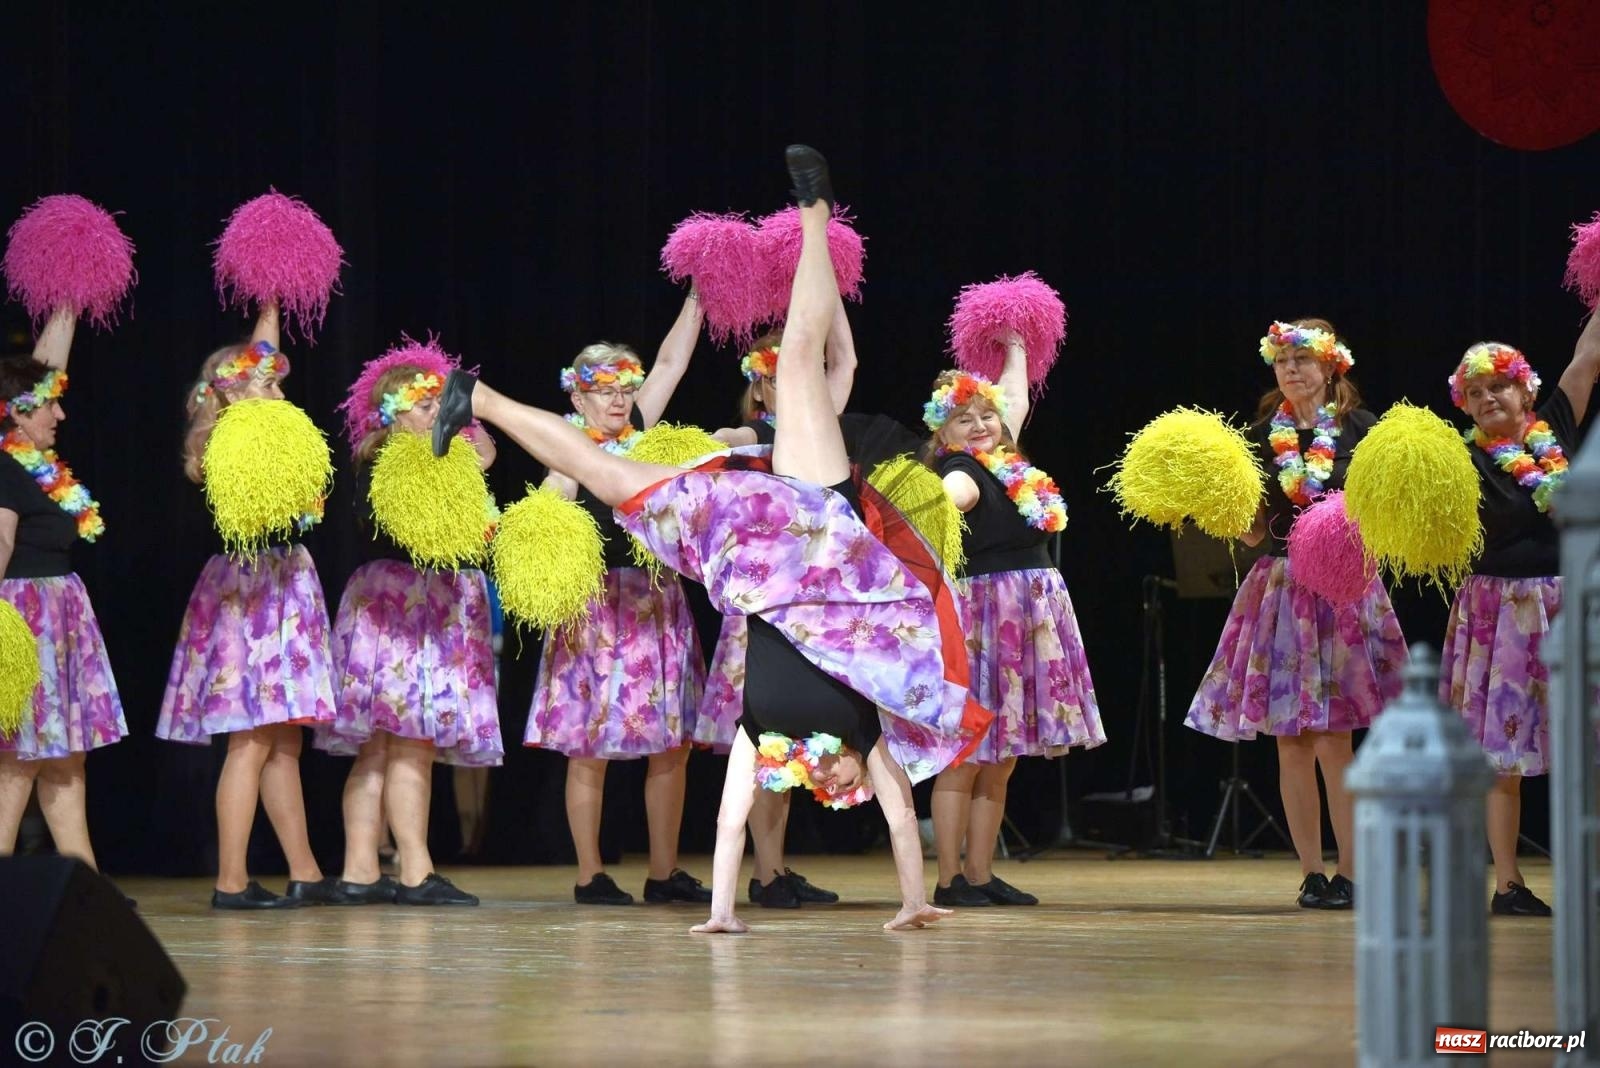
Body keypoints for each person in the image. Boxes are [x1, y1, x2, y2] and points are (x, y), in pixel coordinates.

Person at [431, 145, 991, 931]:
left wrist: (722, 913)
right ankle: (814, 213)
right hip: (814, 519)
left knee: (609, 477)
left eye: (825, 775)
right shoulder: (866, 733)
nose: (830, 769)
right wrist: (913, 903)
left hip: (755, 537)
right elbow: (903, 819)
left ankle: (477, 395)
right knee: (799, 357)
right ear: (847, 777)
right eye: (840, 776)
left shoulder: (763, 735)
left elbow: (728, 826)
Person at [1185, 319, 1407, 909]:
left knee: (1337, 740)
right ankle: (1311, 871)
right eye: (1281, 360)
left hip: (1342, 590)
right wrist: (1221, 510)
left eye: (1302, 360)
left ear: (1332, 365)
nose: (1291, 369)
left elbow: (1387, 518)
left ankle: (1352, 871)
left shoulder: (1364, 432)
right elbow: (1257, 531)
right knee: (1292, 741)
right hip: (1282, 589)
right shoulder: (1260, 439)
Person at [526, 300, 712, 906]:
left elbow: (671, 362)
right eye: (605, 391)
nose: (619, 400)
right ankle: (590, 874)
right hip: (596, 613)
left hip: (657, 604)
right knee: (590, 745)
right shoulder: (568, 453)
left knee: (672, 745)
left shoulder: (640, 436)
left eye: (625, 391)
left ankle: (662, 872)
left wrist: (697, 297)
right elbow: (545, 518)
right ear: (577, 399)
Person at [157, 303, 337, 909]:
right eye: (269, 383)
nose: (280, 388)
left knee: (283, 740)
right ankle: (230, 880)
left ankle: (305, 869)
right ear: (233, 394)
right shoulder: (235, 441)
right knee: (249, 742)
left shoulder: (261, 431)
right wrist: (266, 315)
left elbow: (260, 363)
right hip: (251, 592)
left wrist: (272, 298)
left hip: (284, 582)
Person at [313, 349, 502, 905]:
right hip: (403, 606)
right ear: (394, 411)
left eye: (438, 405)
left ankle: (360, 872)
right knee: (409, 744)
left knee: (382, 748)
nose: (437, 415)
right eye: (425, 405)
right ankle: (416, 873)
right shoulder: (397, 461)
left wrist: (470, 439)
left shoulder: (403, 457)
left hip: (403, 601)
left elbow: (477, 472)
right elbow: (437, 530)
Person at [922, 355, 1104, 907]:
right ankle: (950, 878)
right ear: (943, 431)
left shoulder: (1008, 464)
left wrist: (1018, 343)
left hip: (1025, 613)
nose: (980, 426)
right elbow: (950, 496)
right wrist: (936, 499)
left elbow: (1016, 400)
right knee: (967, 754)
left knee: (1001, 758)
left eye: (986, 416)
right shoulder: (962, 471)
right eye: (964, 419)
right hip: (988, 617)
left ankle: (980, 872)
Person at [1439, 317, 1600, 916]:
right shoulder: (1456, 460)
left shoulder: (1554, 426)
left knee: (1587, 747)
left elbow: (1589, 355)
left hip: (1570, 604)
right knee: (1501, 757)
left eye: (1497, 387)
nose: (1486, 400)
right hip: (1497, 613)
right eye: (1473, 393)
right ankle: (1507, 884)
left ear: (1526, 390)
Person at [700, 328, 859, 909]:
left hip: (815, 608)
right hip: (767, 607)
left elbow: (847, 361)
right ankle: (766, 874)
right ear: (761, 388)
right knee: (768, 741)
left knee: (793, 740)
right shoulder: (754, 433)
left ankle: (774, 868)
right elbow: (717, 439)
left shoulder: (820, 431)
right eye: (781, 375)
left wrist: (828, 278)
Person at [0, 307, 127, 884]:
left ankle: (87, 892)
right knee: (17, 761)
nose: (61, 412)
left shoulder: (38, 466)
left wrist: (72, 301)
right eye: (49, 404)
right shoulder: (4, 468)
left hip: (61, 616)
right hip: (23, 619)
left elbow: (45, 371)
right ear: (18, 412)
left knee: (65, 761)